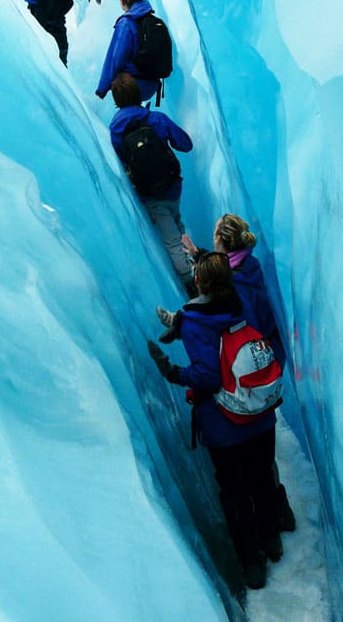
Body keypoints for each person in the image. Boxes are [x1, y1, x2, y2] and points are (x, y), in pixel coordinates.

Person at [147, 252, 284, 590]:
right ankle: (272, 540)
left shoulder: (195, 322)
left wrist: (175, 373)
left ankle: (252, 563)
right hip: (261, 416)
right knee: (263, 479)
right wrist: (180, 322)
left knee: (235, 494)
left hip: (226, 427)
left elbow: (208, 376)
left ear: (199, 281)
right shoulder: (239, 304)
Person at [158, 213, 296, 531]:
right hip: (264, 365)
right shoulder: (249, 267)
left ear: (221, 241)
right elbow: (226, 271)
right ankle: (279, 515)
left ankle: (272, 517)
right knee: (263, 460)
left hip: (243, 377)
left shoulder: (234, 294)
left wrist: (183, 327)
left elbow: (228, 333)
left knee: (251, 468)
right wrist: (201, 256)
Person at [109, 72, 196, 296]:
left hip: (149, 195)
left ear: (116, 100)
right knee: (177, 226)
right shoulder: (156, 119)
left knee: (171, 241)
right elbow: (185, 144)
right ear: (138, 93)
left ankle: (190, 282)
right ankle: (194, 274)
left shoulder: (116, 130)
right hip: (172, 186)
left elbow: (121, 161)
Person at [95, 0, 162, 103]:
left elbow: (115, 60)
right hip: (153, 84)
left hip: (133, 87)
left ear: (122, 2)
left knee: (119, 78)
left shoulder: (126, 23)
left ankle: (130, 116)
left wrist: (102, 89)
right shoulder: (152, 21)